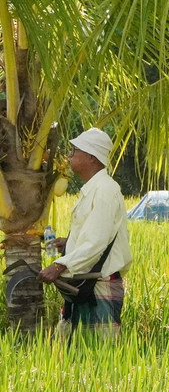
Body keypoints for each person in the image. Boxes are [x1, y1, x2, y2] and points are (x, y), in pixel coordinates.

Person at [38, 128, 133, 340]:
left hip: (99, 286)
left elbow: (96, 242)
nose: (70, 155)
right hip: (84, 285)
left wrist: (58, 265)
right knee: (77, 356)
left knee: (100, 357)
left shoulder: (106, 190)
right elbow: (92, 234)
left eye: (75, 150)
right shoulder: (92, 189)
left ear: (91, 157)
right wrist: (69, 242)